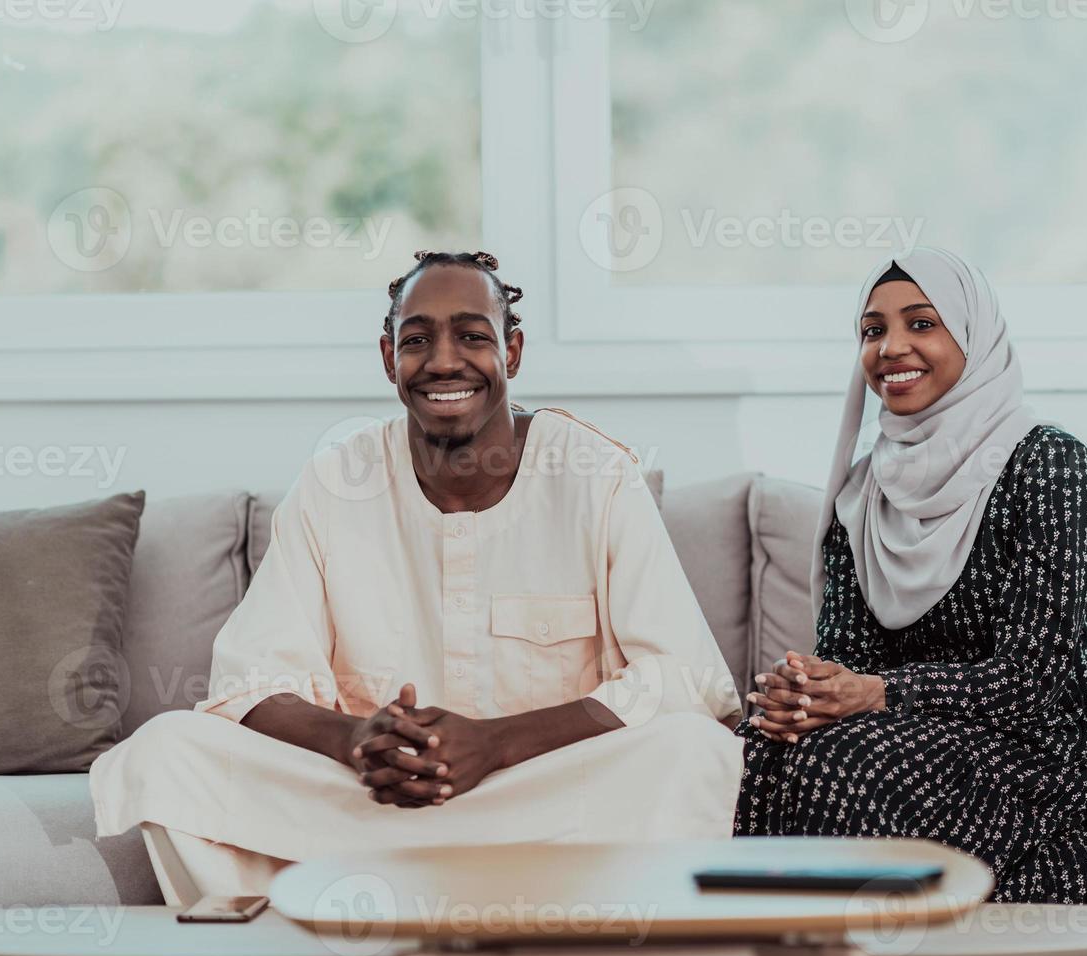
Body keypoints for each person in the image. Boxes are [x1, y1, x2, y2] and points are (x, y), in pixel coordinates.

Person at [90, 250, 742, 901]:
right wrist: (357, 741)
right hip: (377, 801)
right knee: (171, 749)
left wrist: (494, 745)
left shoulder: (597, 477)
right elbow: (252, 683)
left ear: (512, 352)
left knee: (694, 751)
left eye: (472, 336)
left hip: (542, 787)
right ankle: (370, 921)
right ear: (386, 357)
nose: (444, 361)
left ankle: (377, 902)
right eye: (417, 339)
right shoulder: (334, 483)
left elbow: (682, 679)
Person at [734, 247, 1087, 956]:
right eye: (872, 330)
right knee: (754, 748)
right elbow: (847, 655)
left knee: (843, 768)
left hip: (1038, 744)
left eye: (922, 323)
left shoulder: (1048, 466)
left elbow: (1035, 677)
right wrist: (806, 693)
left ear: (973, 340)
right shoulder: (866, 487)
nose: (891, 349)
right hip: (903, 728)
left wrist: (874, 695)